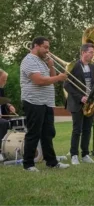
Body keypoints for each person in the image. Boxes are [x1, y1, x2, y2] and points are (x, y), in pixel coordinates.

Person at [20, 36, 69, 172]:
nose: (48, 51)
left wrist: (51, 66)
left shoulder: (42, 61)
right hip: (33, 101)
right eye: (45, 47)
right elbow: (39, 81)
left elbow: (51, 79)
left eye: (48, 48)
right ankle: (28, 164)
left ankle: (51, 162)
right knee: (34, 133)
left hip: (46, 102)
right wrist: (59, 77)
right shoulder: (29, 60)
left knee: (48, 133)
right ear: (36, 46)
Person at [64, 43, 94, 165]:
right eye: (91, 52)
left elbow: (92, 84)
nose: (93, 55)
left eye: (93, 53)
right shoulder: (74, 66)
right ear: (83, 53)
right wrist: (80, 97)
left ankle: (85, 154)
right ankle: (74, 155)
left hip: (89, 103)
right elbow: (66, 85)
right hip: (77, 102)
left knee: (87, 129)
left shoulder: (92, 67)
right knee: (77, 130)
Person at [0, 69, 16, 161]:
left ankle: (11, 149)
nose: (5, 82)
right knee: (3, 123)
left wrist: (9, 105)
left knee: (13, 122)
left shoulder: (1, 89)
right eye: (4, 79)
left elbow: (3, 102)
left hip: (2, 116)